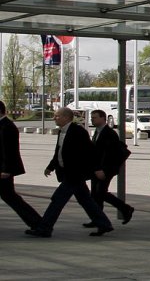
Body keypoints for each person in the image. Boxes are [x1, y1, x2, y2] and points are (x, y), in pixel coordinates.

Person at [32, 107, 113, 237]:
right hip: (69, 174)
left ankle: (44, 229)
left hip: (74, 174)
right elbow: (59, 151)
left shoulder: (78, 132)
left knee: (57, 200)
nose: (54, 118)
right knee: (86, 200)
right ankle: (104, 224)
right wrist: (51, 166)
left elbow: (91, 152)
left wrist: (97, 168)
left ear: (65, 117)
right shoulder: (62, 131)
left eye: (57, 116)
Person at [0, 100, 44, 233]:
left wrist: (5, 170)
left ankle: (38, 223)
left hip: (3, 170)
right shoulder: (3, 125)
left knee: (10, 197)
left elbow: (7, 151)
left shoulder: (6, 127)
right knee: (11, 197)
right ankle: (37, 222)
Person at [87, 109, 134, 226]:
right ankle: (97, 218)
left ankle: (125, 208)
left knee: (100, 193)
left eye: (95, 117)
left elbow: (111, 155)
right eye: (92, 118)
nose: (92, 120)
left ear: (103, 118)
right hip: (96, 168)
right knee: (95, 194)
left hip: (105, 169)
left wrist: (104, 170)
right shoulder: (97, 132)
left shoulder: (109, 133)